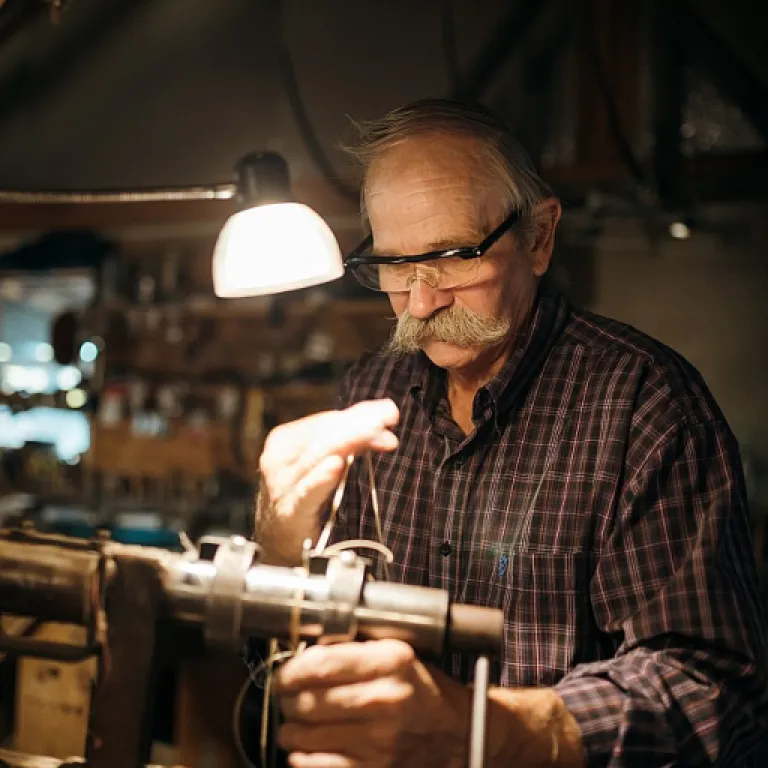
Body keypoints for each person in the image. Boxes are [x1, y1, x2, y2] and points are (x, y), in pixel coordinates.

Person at [255, 99, 767, 767]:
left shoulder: (645, 407)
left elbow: (714, 690)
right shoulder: (369, 392)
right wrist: (278, 550)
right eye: (393, 265)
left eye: (451, 257)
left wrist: (481, 732)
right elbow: (287, 659)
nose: (419, 302)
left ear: (539, 237)